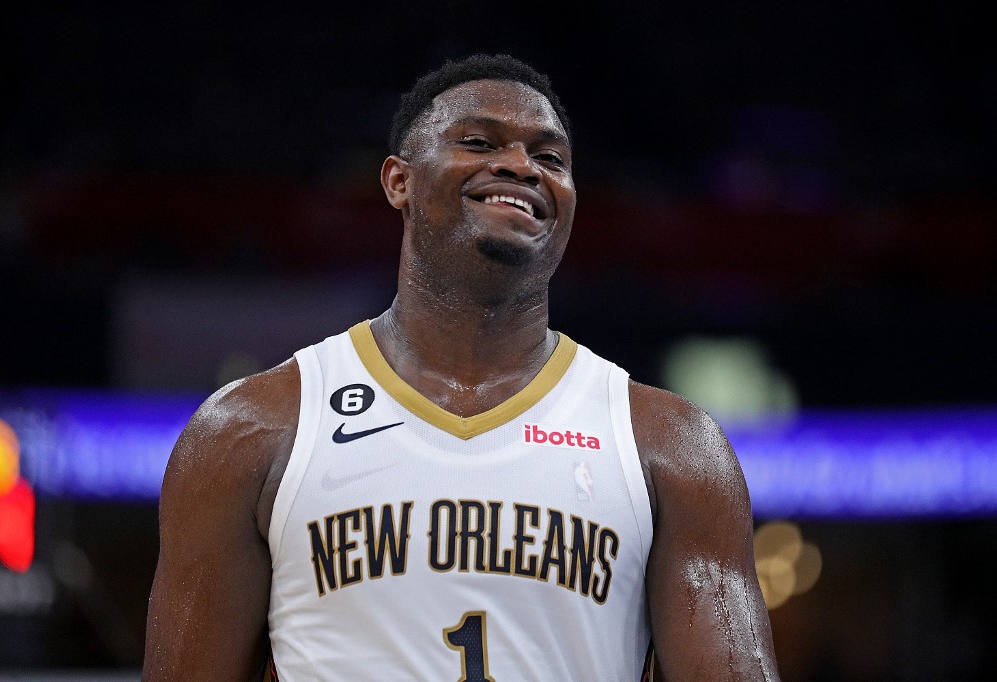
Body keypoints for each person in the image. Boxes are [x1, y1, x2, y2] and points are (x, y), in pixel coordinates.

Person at [143, 54, 780, 681]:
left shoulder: (672, 446)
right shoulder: (251, 430)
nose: (521, 166)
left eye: (550, 158)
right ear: (398, 181)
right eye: (478, 142)